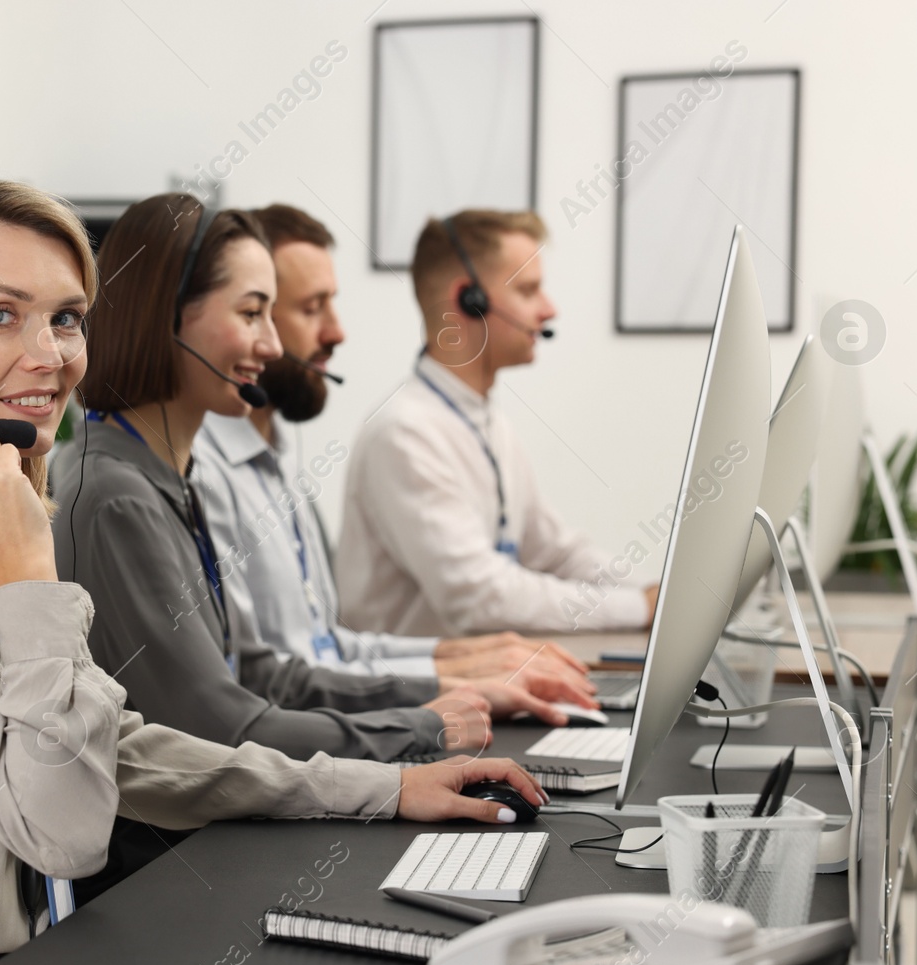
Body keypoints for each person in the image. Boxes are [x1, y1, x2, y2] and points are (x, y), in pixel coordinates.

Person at [0, 178, 546, 965]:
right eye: (2, 316)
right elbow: (62, 823)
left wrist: (381, 789)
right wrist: (26, 563)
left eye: (66, 318)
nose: (50, 353)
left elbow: (114, 750)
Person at [53, 194, 583, 767]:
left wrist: (444, 698)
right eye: (252, 314)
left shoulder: (172, 476)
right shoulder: (118, 499)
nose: (274, 346)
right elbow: (213, 724)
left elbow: (258, 673)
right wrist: (421, 728)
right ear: (169, 317)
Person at [191, 203, 594, 698]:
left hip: (346, 727)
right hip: (324, 746)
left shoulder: (279, 461)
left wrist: (463, 663)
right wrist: (451, 687)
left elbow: (329, 648)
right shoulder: (203, 473)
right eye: (310, 308)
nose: (338, 332)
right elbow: (261, 686)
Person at [336, 209, 659, 636]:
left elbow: (556, 553)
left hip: (478, 685)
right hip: (418, 699)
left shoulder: (487, 422)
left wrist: (661, 596)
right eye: (528, 290)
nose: (548, 309)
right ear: (469, 301)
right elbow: (481, 596)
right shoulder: (404, 433)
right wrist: (638, 608)